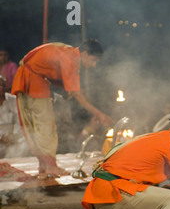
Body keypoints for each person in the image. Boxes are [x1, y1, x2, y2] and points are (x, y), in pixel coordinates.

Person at [11, 39, 113, 177]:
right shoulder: (71, 58)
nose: (94, 65)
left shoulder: (68, 53)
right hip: (33, 82)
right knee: (45, 126)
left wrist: (66, 90)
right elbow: (77, 94)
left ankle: (44, 165)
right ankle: (51, 167)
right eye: (93, 60)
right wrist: (100, 114)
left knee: (34, 127)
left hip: (26, 78)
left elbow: (55, 77)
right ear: (84, 54)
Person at [0, 75, 28, 158]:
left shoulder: (13, 100)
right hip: (1, 139)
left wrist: (13, 136)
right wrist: (1, 138)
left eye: (3, 85)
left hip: (13, 139)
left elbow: (19, 120)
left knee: (25, 143)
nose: (1, 88)